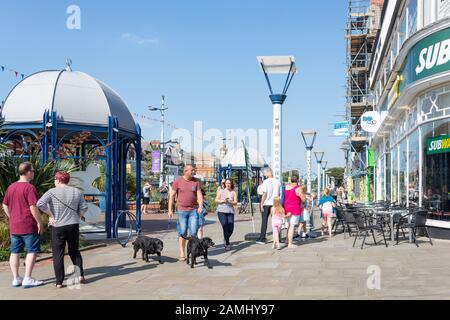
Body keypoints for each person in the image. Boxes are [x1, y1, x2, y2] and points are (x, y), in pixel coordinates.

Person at [37, 171, 88, 288]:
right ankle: (80, 275)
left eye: (55, 179)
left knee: (58, 254)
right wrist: (78, 216)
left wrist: (50, 215)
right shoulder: (77, 192)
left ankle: (59, 282)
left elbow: (40, 203)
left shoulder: (51, 192)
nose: (54, 181)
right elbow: (84, 207)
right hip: (73, 225)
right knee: (74, 251)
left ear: (58, 180)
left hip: (57, 226)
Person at [2, 162, 44, 288]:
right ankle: (27, 278)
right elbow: (33, 206)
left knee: (14, 251)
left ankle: (16, 278)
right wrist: (39, 222)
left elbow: (4, 205)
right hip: (28, 224)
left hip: (14, 225)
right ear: (28, 172)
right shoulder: (29, 188)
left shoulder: (11, 187)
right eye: (32, 170)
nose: (34, 172)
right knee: (32, 250)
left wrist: (12, 217)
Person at [168, 165, 203, 261]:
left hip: (193, 211)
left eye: (194, 170)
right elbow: (172, 196)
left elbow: (199, 194)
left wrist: (200, 206)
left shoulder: (196, 181)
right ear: (185, 171)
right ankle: (182, 252)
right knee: (182, 232)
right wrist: (170, 210)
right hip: (182, 211)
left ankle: (193, 250)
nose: (193, 172)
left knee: (193, 233)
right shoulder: (178, 181)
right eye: (192, 170)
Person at [257, 168, 281, 245]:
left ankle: (262, 238)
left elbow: (265, 194)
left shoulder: (266, 182)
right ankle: (278, 237)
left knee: (264, 221)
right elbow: (279, 194)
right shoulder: (277, 181)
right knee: (276, 220)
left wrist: (261, 203)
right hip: (275, 203)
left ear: (268, 173)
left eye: (264, 173)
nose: (264, 175)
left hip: (267, 203)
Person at [283, 175, 306, 248]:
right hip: (294, 208)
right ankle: (290, 243)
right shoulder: (298, 188)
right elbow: (303, 199)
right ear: (297, 180)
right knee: (292, 226)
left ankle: (286, 241)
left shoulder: (286, 187)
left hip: (286, 208)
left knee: (289, 225)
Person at [215, 179, 237, 251]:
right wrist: (223, 201)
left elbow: (235, 202)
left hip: (230, 211)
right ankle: (227, 244)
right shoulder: (221, 191)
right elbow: (216, 200)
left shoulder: (233, 192)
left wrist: (230, 201)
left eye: (229, 183)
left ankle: (226, 237)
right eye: (226, 183)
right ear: (224, 184)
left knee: (231, 228)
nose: (228, 184)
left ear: (231, 184)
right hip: (221, 211)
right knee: (225, 225)